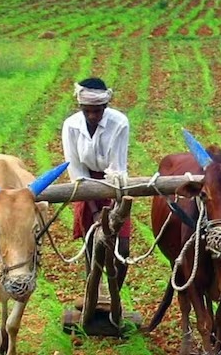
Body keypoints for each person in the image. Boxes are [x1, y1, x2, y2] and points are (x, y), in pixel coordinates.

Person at [61, 77, 131, 291]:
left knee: (123, 248)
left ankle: (114, 295)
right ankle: (93, 291)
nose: (92, 116)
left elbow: (117, 168)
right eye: (87, 110)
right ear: (81, 107)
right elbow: (76, 170)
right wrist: (93, 211)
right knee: (92, 243)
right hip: (85, 185)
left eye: (97, 111)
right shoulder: (71, 126)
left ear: (105, 106)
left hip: (114, 184)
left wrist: (113, 212)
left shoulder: (119, 122)